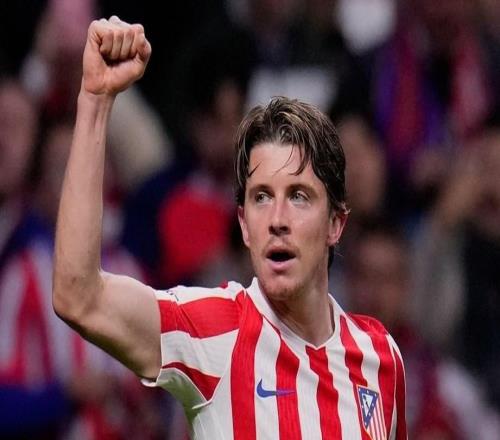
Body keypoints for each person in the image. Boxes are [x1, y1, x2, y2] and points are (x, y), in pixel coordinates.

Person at [53, 16, 407, 439]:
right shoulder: (216, 331)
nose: (277, 219)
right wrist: (95, 102)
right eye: (261, 197)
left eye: (298, 196)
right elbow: (79, 297)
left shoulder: (380, 357)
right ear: (244, 225)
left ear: (335, 223)